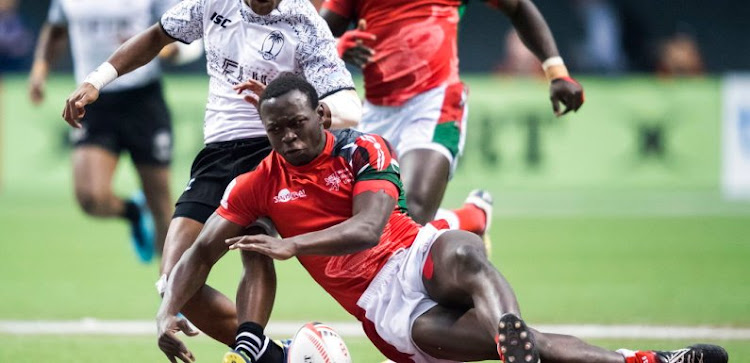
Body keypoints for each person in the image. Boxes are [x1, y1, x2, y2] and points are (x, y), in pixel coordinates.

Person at [156, 74, 728, 363]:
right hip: (387, 309)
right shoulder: (256, 184)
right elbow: (200, 252)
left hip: (413, 255)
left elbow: (370, 228)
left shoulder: (363, 149)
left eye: (297, 124)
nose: (287, 137)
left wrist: (292, 246)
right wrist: (165, 311)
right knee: (531, 347)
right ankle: (646, 361)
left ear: (321, 114)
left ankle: (508, 327)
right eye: (275, 130)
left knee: (461, 250)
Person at [59, 0, 361, 349]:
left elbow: (350, 108)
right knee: (173, 281)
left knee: (253, 246)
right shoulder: (211, 3)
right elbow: (158, 35)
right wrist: (97, 80)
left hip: (269, 150)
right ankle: (273, 357)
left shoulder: (304, 21)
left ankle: (249, 351)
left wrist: (291, 108)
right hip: (216, 154)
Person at [319, 0, 586, 247]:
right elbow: (316, 37)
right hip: (376, 110)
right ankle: (469, 219)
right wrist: (340, 45)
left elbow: (517, 7)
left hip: (434, 101)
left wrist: (556, 71)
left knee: (412, 211)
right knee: (364, 224)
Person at [29, 0, 195, 263]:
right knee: (90, 198)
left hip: (142, 100)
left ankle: (174, 295)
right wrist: (40, 70)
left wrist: (162, 49)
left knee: (161, 203)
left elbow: (183, 39)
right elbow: (55, 28)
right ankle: (133, 212)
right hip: (93, 101)